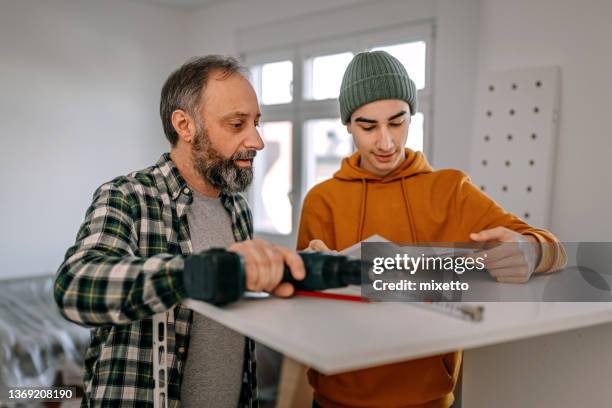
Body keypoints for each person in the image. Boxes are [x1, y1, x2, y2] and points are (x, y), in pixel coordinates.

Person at [297, 51, 567, 408]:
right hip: (336, 400)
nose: (386, 142)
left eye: (397, 122)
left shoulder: (451, 190)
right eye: (368, 126)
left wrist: (532, 252)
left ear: (412, 115)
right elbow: (300, 311)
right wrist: (308, 277)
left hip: (430, 400)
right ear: (347, 124)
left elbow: (555, 248)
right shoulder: (322, 200)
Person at [54, 55, 305, 407]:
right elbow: (75, 287)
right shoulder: (129, 196)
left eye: (256, 123)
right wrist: (197, 272)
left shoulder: (239, 211)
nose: (257, 141)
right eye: (237, 124)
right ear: (184, 126)